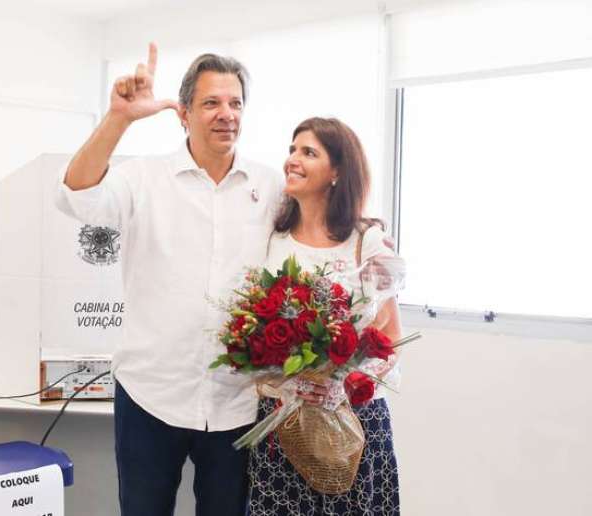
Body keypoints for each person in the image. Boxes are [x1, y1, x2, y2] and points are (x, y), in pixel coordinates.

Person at [54, 43, 284, 516]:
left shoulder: (270, 188)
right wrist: (118, 118)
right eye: (211, 103)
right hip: (151, 395)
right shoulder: (142, 178)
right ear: (182, 113)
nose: (227, 114)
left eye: (235, 103)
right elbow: (75, 195)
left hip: (236, 401)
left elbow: (320, 232)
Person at [247, 117, 403, 515]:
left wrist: (342, 385)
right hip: (281, 422)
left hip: (352, 421)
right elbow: (252, 332)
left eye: (308, 152)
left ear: (337, 171)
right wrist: (286, 377)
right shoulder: (271, 238)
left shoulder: (366, 241)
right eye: (292, 149)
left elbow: (391, 340)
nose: (292, 160)